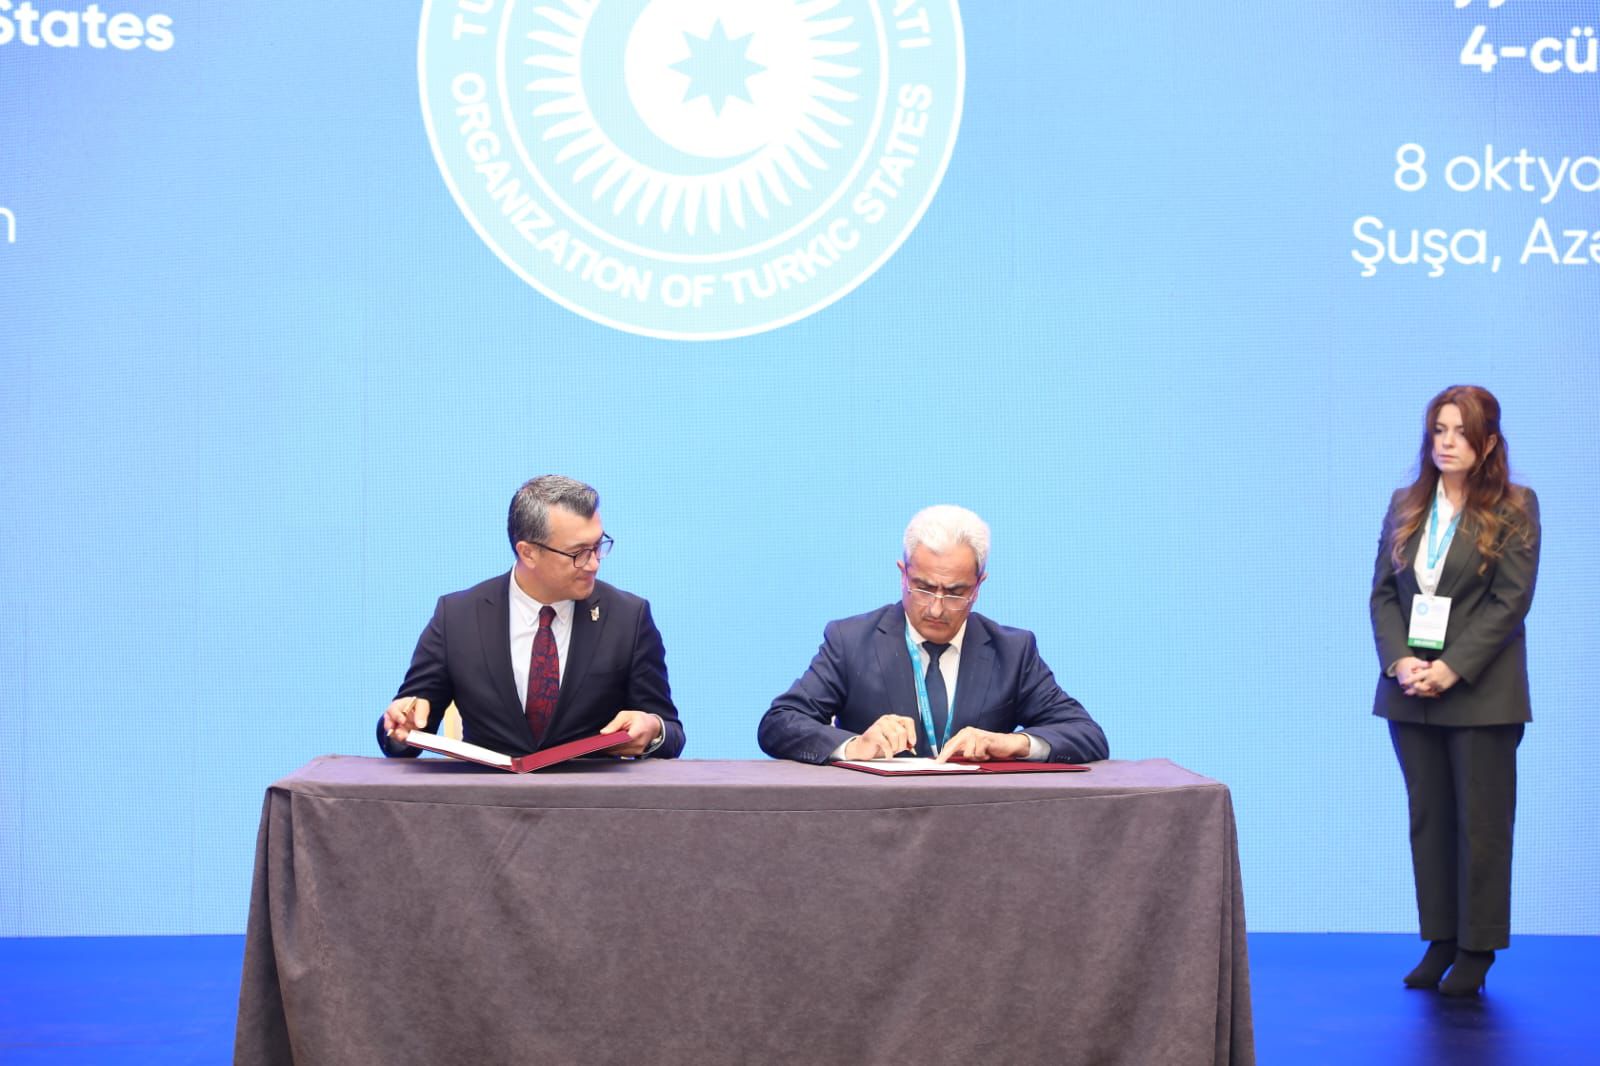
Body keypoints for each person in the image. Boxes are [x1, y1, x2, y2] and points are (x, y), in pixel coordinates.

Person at [1370, 386, 1539, 997]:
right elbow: (1384, 595)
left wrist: (1452, 668)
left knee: (1481, 826)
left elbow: (1510, 602)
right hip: (1410, 692)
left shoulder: (1515, 507)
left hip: (1481, 695)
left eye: (1460, 431)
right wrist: (1400, 663)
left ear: (1488, 441)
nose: (1446, 442)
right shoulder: (1405, 505)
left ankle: (1477, 947)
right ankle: (1440, 938)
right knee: (1429, 821)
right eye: (1439, 430)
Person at [758, 505, 1108, 765]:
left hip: (980, 832)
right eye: (923, 588)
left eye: (955, 593)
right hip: (873, 830)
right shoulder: (851, 641)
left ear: (979, 586)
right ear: (903, 574)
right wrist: (853, 746)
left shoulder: (1012, 653)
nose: (936, 609)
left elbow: (1087, 735)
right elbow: (779, 724)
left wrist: (1014, 744)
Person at [377, 475, 685, 760]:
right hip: (484, 808)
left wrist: (653, 729)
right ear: (528, 553)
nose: (593, 563)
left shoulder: (628, 617)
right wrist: (400, 726)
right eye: (579, 552)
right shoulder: (457, 616)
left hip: (592, 809)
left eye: (598, 546)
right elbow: (408, 724)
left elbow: (671, 733)